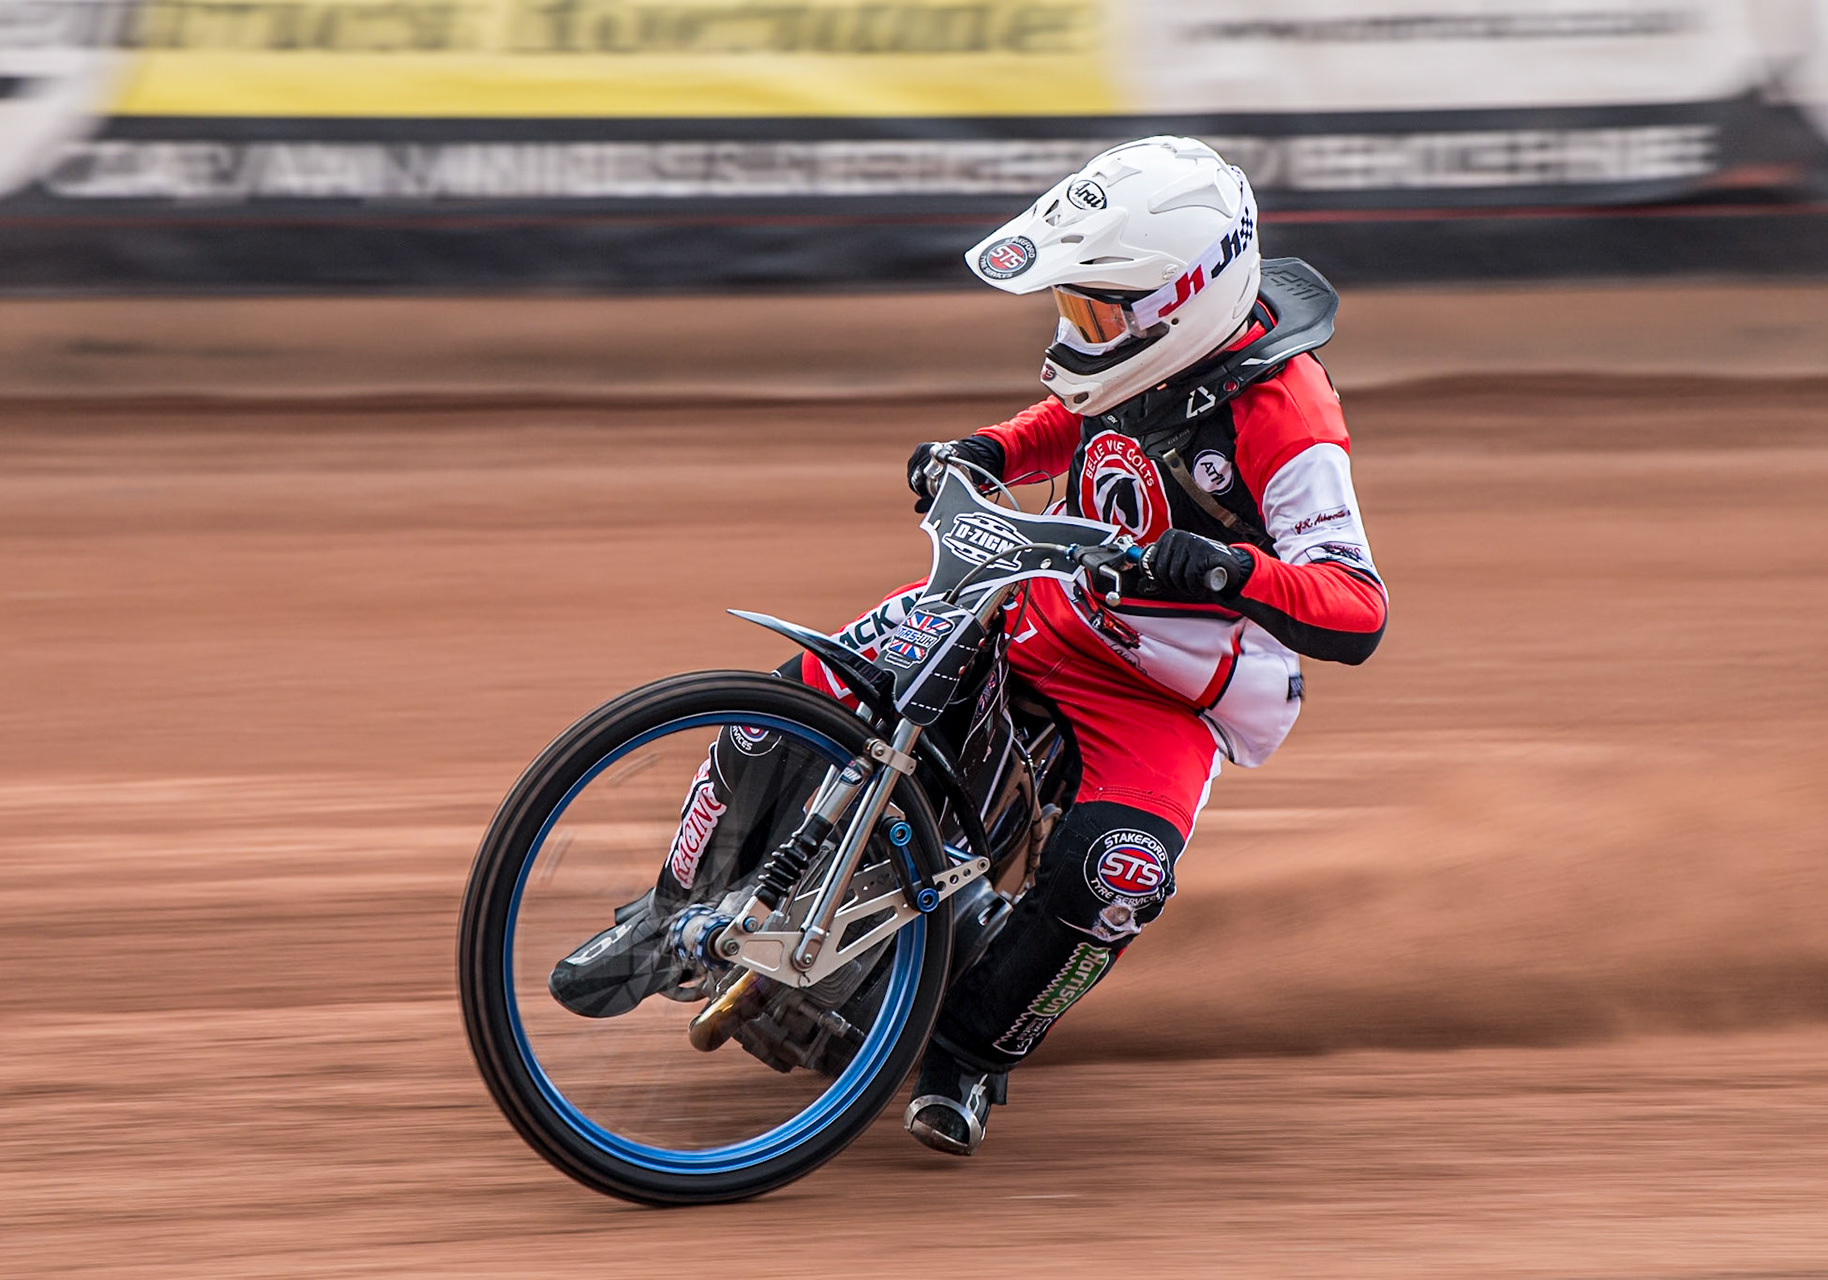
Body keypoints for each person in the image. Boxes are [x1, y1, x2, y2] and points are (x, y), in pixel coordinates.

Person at [550, 136, 1387, 1158]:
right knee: (803, 686)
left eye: (1097, 310)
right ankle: (666, 908)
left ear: (1187, 295)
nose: (1080, 328)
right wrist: (987, 448)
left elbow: (1354, 601)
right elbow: (1072, 417)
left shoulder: (1291, 416)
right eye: (1071, 305)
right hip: (1035, 601)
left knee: (1114, 874)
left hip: (1165, 694)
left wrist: (1215, 570)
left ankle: (971, 1049)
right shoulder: (1145, 347)